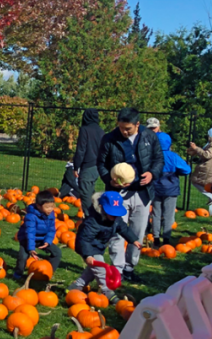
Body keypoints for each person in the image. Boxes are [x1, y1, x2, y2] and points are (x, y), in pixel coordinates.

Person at [96, 107, 164, 283]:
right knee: (117, 231)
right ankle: (117, 268)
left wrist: (152, 174)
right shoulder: (109, 139)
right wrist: (108, 179)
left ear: (137, 124)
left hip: (142, 192)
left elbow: (158, 159)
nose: (124, 132)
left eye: (128, 129)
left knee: (137, 232)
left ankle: (129, 267)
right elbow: (101, 163)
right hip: (118, 193)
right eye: (121, 128)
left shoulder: (149, 136)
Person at [68, 191, 141, 303]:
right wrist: (88, 255)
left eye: (116, 213)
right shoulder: (92, 221)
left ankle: (76, 286)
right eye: (112, 213)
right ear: (102, 207)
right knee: (101, 269)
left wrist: (133, 239)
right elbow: (84, 240)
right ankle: (107, 292)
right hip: (88, 247)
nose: (114, 216)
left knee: (93, 271)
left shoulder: (115, 219)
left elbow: (123, 228)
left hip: (99, 247)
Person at [150, 133, 191, 246]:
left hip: (156, 187)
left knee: (156, 213)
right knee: (168, 214)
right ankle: (167, 239)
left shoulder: (152, 155)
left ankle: (156, 238)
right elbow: (187, 170)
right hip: (170, 188)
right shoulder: (173, 156)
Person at [12, 190, 61, 282]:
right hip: (27, 239)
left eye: (52, 206)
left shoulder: (51, 214)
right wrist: (31, 249)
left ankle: (48, 272)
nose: (50, 209)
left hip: (42, 239)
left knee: (57, 253)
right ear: (38, 206)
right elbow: (30, 233)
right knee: (22, 257)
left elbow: (51, 229)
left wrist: (48, 241)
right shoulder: (31, 216)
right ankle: (18, 273)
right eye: (47, 207)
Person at [71, 109, 104, 216]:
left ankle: (90, 217)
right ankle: (95, 213)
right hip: (97, 166)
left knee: (85, 193)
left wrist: (76, 166)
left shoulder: (85, 130)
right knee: (90, 190)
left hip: (88, 164)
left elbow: (81, 149)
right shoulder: (100, 131)